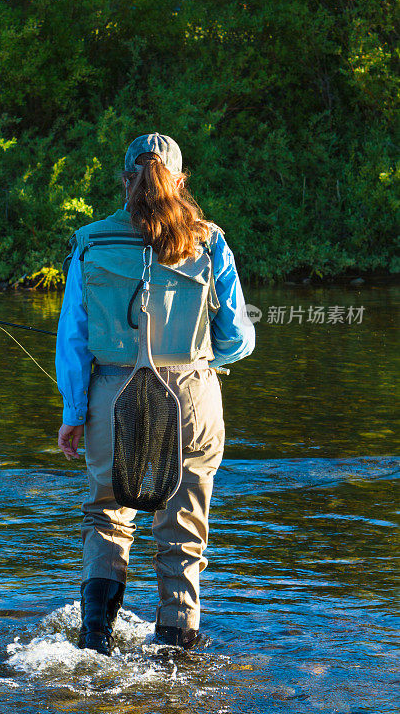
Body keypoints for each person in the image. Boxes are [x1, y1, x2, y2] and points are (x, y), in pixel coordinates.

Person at [55, 133, 255, 655]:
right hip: (192, 392)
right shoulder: (209, 241)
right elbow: (237, 338)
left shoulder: (91, 241)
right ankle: (177, 646)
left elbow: (73, 340)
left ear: (125, 180)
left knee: (106, 513)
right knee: (183, 521)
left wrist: (74, 413)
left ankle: (94, 640)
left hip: (110, 392)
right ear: (180, 181)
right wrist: (208, 358)